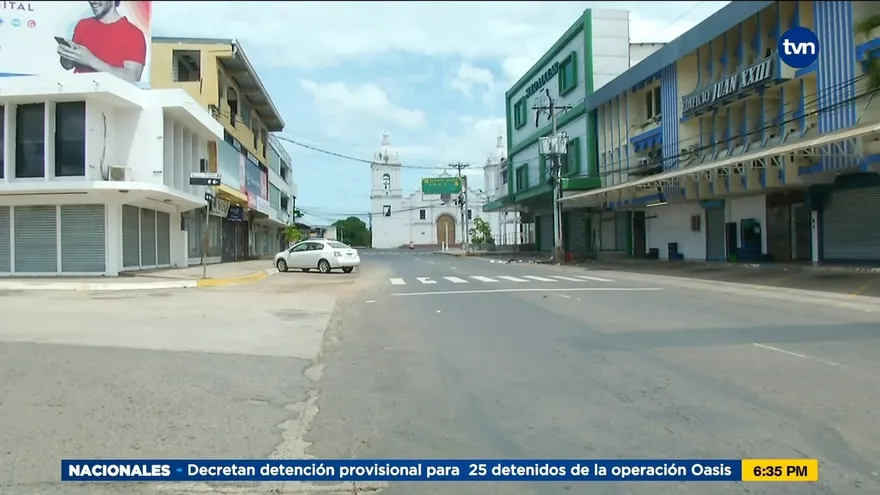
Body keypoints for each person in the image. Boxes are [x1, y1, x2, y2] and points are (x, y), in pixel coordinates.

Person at [57, 1, 146, 83]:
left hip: (109, 98)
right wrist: (67, 55)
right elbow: (68, 65)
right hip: (79, 95)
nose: (92, 1)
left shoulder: (133, 34)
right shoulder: (83, 25)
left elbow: (132, 77)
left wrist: (91, 61)